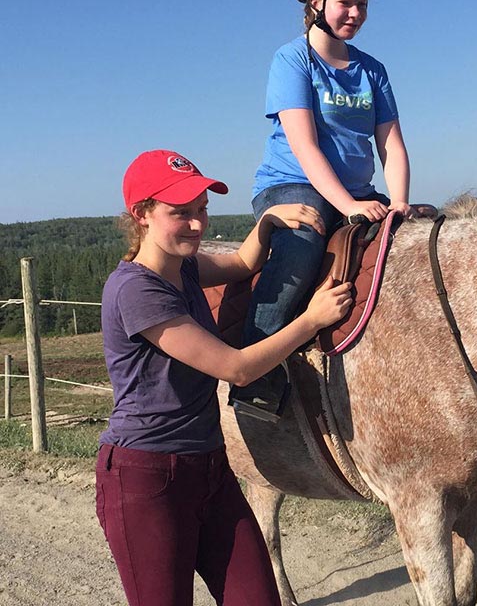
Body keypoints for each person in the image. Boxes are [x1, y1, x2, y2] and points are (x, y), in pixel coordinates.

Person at [97, 149, 354, 606]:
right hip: (147, 477)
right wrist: (311, 321)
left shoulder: (185, 268)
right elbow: (236, 367)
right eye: (181, 213)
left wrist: (269, 220)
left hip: (211, 468)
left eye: (202, 210)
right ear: (141, 214)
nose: (197, 225)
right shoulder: (136, 290)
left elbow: (240, 264)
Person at [229, 0, 430, 421]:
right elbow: (305, 146)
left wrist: (399, 201)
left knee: (420, 240)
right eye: (346, 2)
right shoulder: (292, 59)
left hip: (356, 192)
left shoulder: (372, 70)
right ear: (315, 0)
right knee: (302, 242)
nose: (356, 13)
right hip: (292, 185)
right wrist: (348, 206)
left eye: (363, 4)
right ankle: (256, 370)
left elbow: (392, 145)